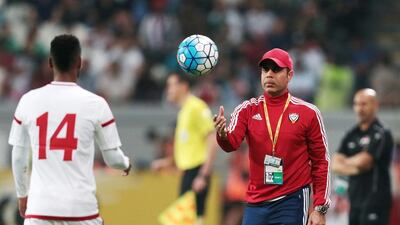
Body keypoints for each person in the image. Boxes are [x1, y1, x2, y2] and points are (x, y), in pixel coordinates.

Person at [8, 34, 131, 225]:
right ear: (80, 62)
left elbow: (18, 157)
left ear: (50, 63)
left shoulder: (28, 100)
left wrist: (22, 195)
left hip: (40, 209)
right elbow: (112, 159)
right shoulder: (96, 104)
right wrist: (125, 164)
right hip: (82, 211)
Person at [214, 48, 331, 225]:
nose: (269, 74)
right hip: (256, 201)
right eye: (265, 69)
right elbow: (231, 143)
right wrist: (222, 134)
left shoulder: (308, 113)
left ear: (290, 75)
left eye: (276, 69)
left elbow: (321, 162)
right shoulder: (247, 109)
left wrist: (319, 207)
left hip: (292, 200)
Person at [151, 73, 218, 225]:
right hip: (188, 173)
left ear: (184, 86)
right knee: (187, 220)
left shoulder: (197, 107)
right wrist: (168, 162)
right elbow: (187, 145)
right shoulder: (184, 111)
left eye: (171, 85)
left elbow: (212, 139)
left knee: (187, 220)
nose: (168, 90)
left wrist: (203, 175)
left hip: (197, 172)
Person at [332, 88, 394, 225]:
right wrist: (354, 167)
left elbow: (364, 161)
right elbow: (335, 165)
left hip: (375, 201)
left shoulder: (382, 133)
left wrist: (346, 162)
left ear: (375, 105)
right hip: (354, 201)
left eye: (364, 104)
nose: (359, 108)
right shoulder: (350, 134)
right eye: (356, 104)